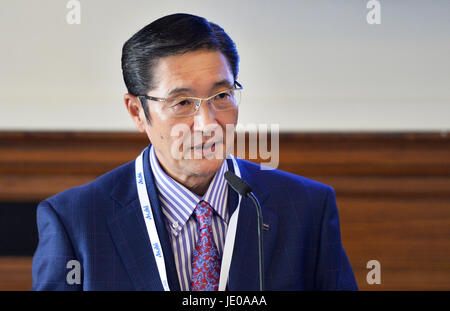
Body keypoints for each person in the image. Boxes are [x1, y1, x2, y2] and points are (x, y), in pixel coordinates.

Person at [32, 13, 357, 291]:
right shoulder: (74, 221)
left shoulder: (307, 208)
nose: (207, 123)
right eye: (183, 102)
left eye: (221, 96)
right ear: (136, 111)